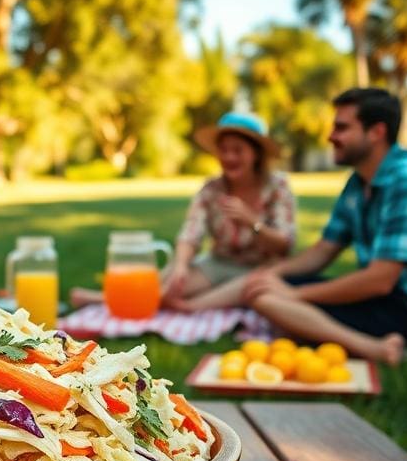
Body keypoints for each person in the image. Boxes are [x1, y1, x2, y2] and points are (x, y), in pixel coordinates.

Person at [243, 88, 407, 365]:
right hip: (387, 298)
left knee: (269, 301)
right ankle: (363, 341)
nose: (330, 136)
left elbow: (380, 280)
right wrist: (273, 274)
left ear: (376, 132)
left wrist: (294, 294)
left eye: (341, 127)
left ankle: (374, 349)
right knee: (266, 290)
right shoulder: (359, 182)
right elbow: (325, 249)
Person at [71, 111, 296, 311]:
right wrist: (180, 266)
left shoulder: (277, 187)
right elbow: (191, 232)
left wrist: (252, 221)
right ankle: (107, 299)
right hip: (219, 263)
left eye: (238, 150)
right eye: (224, 150)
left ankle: (190, 306)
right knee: (171, 283)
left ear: (256, 154)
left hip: (261, 268)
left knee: (253, 283)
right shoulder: (212, 189)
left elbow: (285, 244)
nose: (229, 158)